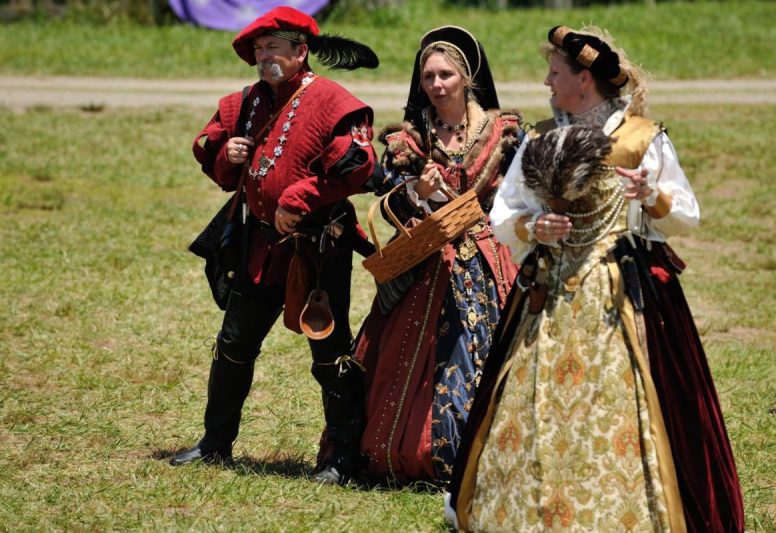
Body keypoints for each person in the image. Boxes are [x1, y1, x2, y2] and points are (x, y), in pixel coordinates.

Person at [447, 25, 745, 532]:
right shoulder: (542, 137)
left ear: (583, 80)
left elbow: (685, 216)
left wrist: (650, 195)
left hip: (618, 293)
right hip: (547, 295)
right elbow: (504, 213)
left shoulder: (639, 139)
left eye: (555, 72)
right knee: (535, 404)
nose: (546, 81)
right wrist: (533, 225)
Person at [169, 6, 380, 486]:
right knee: (234, 345)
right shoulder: (244, 103)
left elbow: (357, 164)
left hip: (316, 249)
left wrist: (300, 198)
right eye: (260, 50)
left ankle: (341, 459)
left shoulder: (331, 100)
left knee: (329, 353)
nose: (266, 58)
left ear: (300, 52)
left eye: (275, 49)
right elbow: (211, 153)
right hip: (258, 247)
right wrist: (227, 156)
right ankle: (214, 444)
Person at [351, 26, 521, 485]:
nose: (437, 84)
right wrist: (417, 195)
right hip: (428, 264)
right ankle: (420, 452)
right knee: (413, 358)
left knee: (488, 350)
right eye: (428, 76)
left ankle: (490, 452)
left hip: (490, 261)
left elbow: (525, 197)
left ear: (466, 76)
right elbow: (391, 208)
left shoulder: (503, 132)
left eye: (446, 74)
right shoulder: (408, 141)